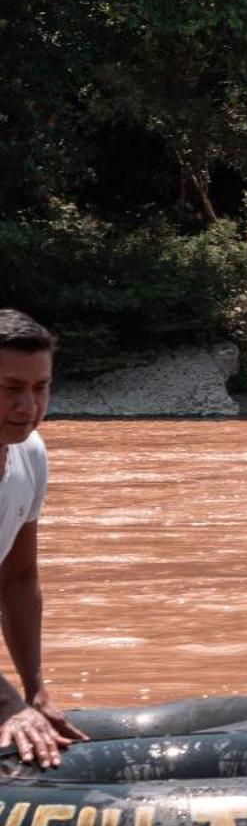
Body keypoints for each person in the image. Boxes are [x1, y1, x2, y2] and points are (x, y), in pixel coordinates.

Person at [0, 309, 86, 767]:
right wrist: (6, 703)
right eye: (11, 389)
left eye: (41, 388)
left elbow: (17, 575)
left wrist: (34, 690)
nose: (28, 407)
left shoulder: (28, 454)